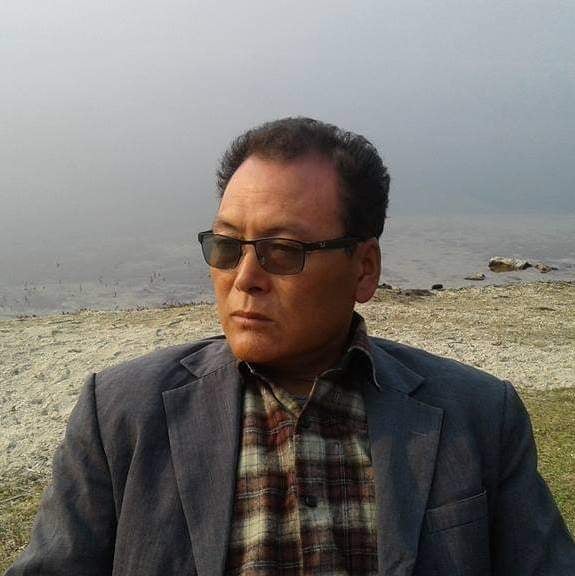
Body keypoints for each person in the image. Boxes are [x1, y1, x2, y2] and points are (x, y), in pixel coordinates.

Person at [7, 117, 575, 576]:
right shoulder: (121, 416)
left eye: (283, 251)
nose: (244, 277)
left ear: (364, 269)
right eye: (226, 246)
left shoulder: (478, 416)